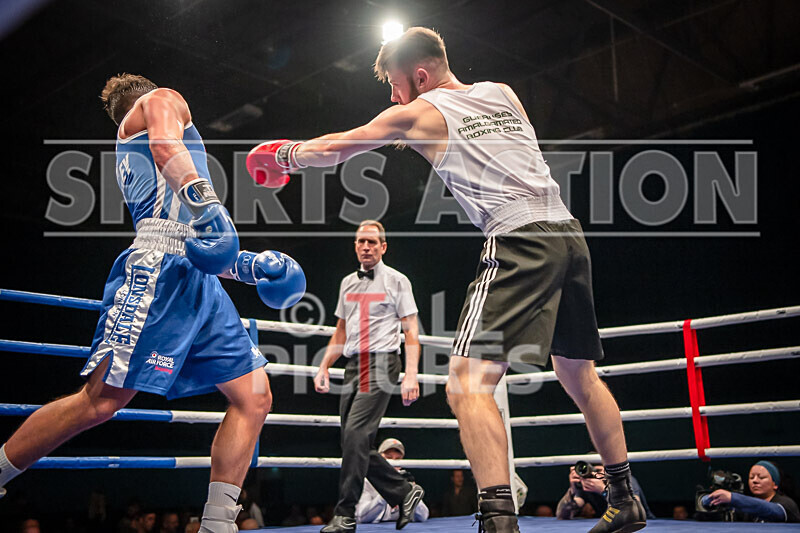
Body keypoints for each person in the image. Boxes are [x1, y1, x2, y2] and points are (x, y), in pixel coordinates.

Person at [246, 26, 645, 533]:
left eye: (395, 84)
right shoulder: (502, 92)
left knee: (465, 383)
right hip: (568, 233)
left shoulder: (417, 111)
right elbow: (524, 156)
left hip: (519, 238)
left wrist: (281, 156)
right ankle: (625, 496)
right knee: (579, 375)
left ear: (418, 74)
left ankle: (498, 518)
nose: (392, 96)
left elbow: (338, 147)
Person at [0, 74, 306, 533]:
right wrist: (211, 209)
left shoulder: (135, 153)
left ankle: (218, 524)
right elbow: (167, 151)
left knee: (254, 396)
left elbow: (194, 241)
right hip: (158, 271)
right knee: (101, 401)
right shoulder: (162, 100)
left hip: (194, 274)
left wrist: (248, 266)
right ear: (145, 100)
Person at [312, 220, 424, 532]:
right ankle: (403, 491)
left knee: (356, 436)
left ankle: (346, 513)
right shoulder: (347, 282)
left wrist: (411, 374)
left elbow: (411, 330)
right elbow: (341, 332)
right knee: (351, 440)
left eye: (373, 242)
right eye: (361, 241)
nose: (366, 247)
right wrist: (323, 366)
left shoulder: (397, 280)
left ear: (383, 247)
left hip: (383, 363)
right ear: (355, 245)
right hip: (352, 366)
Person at [355, 438, 430, 524]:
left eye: (397, 459)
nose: (393, 462)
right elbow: (362, 518)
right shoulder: (367, 481)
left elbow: (423, 516)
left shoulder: (404, 480)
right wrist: (386, 492)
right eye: (389, 457)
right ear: (378, 459)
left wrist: (409, 491)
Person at [703, 460, 800, 523]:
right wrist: (709, 503)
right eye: (751, 477)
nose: (755, 480)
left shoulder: (787, 504)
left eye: (761, 477)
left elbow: (772, 510)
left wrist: (733, 498)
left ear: (775, 484)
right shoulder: (746, 508)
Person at [556, 463, 654, 521]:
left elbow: (633, 513)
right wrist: (572, 490)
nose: (594, 474)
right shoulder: (587, 485)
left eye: (598, 470)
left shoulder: (624, 480)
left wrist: (604, 490)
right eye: (590, 471)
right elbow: (562, 515)